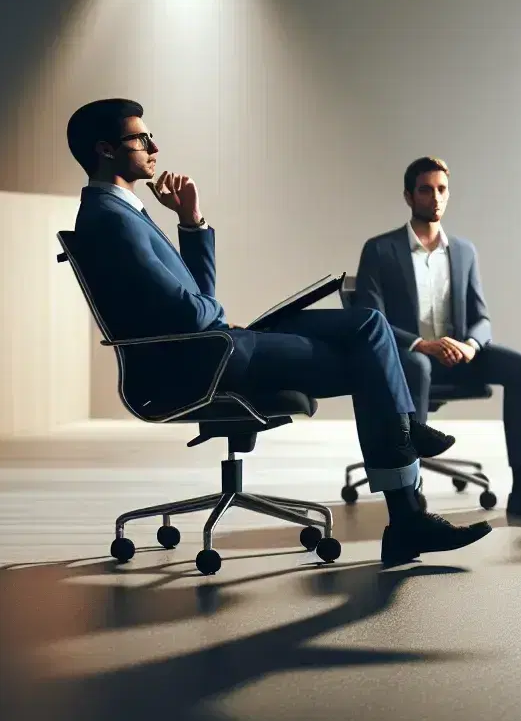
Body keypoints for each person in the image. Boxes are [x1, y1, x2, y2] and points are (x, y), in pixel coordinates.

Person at [65, 98, 490, 568]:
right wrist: (217, 316)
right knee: (367, 355)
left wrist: (191, 222)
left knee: (368, 324)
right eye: (141, 138)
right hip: (208, 362)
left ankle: (407, 473)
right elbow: (195, 314)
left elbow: (197, 296)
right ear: (105, 150)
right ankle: (407, 500)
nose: (154, 145)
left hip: (218, 346)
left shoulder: (123, 212)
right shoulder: (111, 219)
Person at [353, 157, 521, 524]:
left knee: (519, 366)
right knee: (419, 365)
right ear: (409, 196)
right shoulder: (379, 250)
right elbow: (371, 319)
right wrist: (422, 344)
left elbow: (481, 317)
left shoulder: (464, 251)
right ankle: (410, 498)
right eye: (426, 189)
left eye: (442, 189)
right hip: (407, 360)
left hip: (458, 356)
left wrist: (470, 344)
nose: (435, 197)